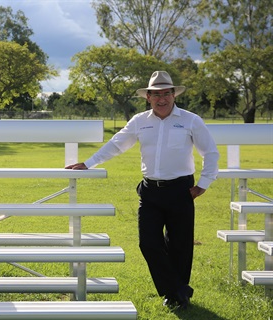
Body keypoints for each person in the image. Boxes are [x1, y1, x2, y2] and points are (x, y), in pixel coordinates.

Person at [66, 71, 219, 310]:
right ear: (147, 97)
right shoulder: (139, 121)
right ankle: (178, 290)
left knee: (180, 245)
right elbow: (116, 144)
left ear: (173, 95)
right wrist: (89, 163)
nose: (162, 99)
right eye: (156, 94)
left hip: (181, 190)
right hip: (150, 191)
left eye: (166, 93)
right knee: (148, 244)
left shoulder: (191, 120)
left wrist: (203, 183)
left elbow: (210, 152)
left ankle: (175, 295)